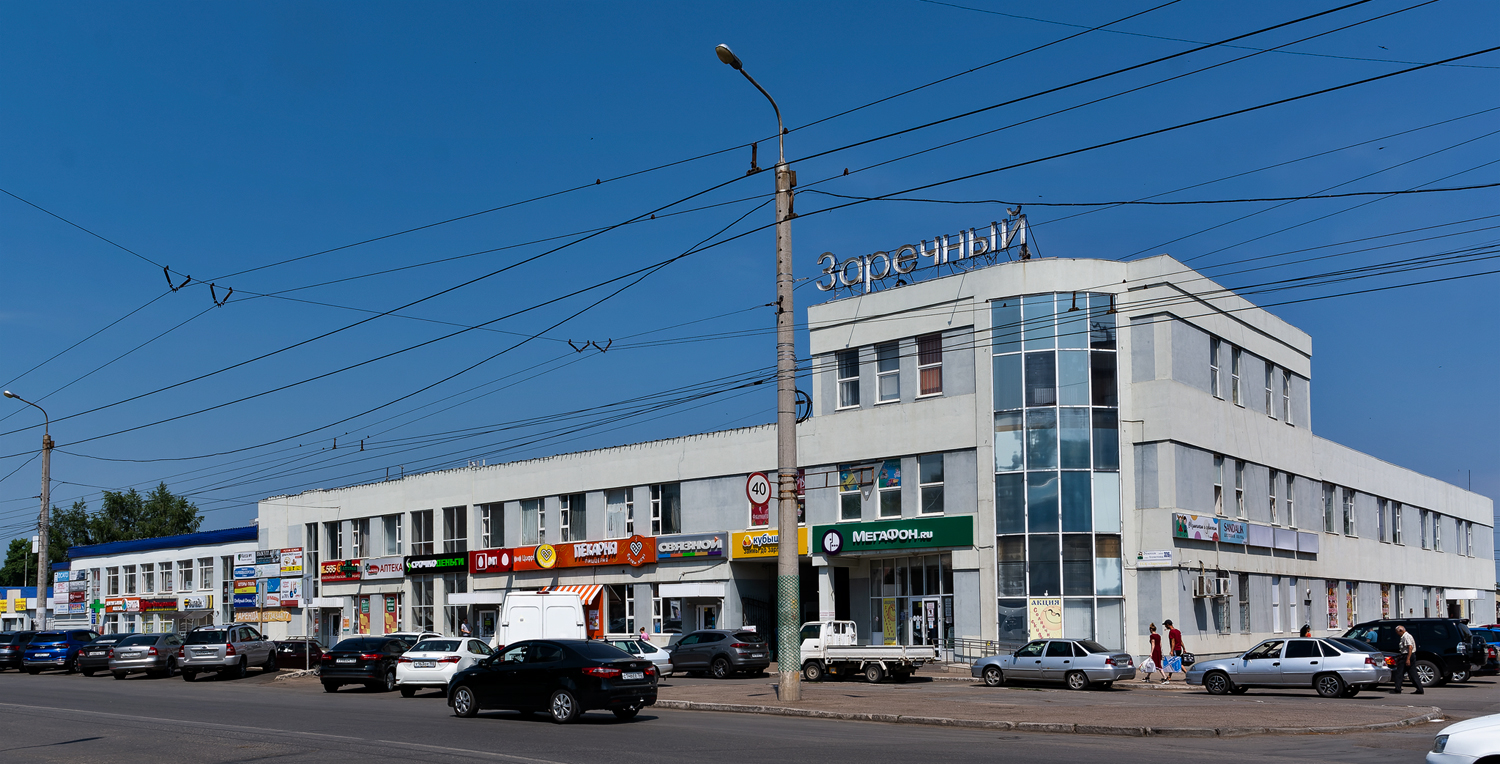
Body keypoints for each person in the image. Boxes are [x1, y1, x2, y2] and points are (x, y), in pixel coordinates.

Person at [1391, 624, 1425, 694]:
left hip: (1407, 656)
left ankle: (1397, 689)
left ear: (1401, 631)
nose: (1397, 634)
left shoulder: (1406, 636)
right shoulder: (1405, 636)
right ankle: (1420, 689)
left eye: (1397, 632)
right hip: (1408, 655)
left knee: (1399, 673)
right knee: (1412, 673)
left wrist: (1408, 659)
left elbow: (1410, 647)